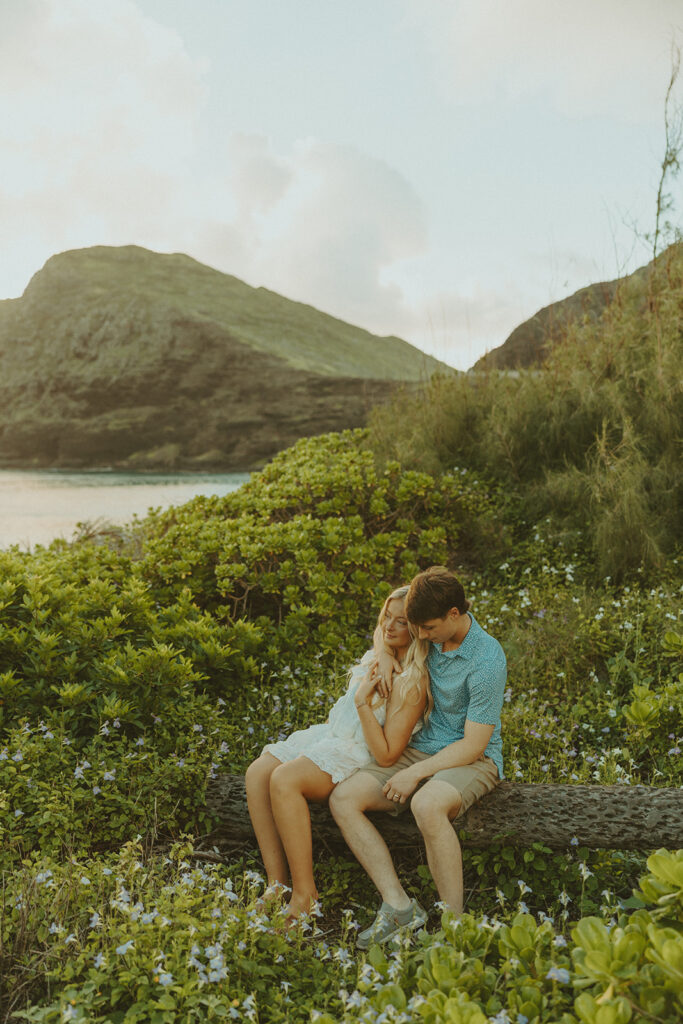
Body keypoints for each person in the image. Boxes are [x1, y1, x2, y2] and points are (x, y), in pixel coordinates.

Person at [329, 565, 507, 949]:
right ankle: (399, 907)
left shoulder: (488, 661)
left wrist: (416, 774)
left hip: (472, 759)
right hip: (423, 746)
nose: (419, 637)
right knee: (343, 798)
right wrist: (384, 653)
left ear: (454, 615)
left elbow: (473, 745)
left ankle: (455, 926)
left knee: (426, 804)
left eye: (426, 628)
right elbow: (386, 624)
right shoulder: (428, 629)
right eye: (417, 628)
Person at [244, 586, 430, 922]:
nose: (388, 627)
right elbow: (380, 632)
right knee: (257, 773)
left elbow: (387, 756)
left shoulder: (411, 683)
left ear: (418, 629)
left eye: (400, 622)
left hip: (359, 751)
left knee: (285, 780)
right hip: (330, 733)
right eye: (387, 616)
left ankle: (305, 896)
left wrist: (362, 701)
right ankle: (276, 885)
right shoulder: (384, 650)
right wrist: (384, 652)